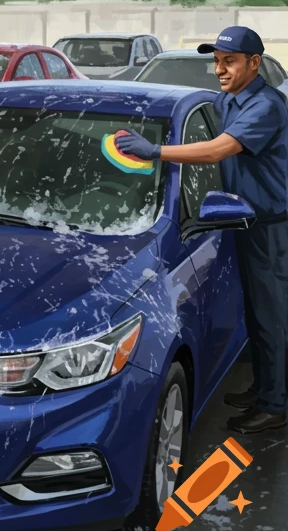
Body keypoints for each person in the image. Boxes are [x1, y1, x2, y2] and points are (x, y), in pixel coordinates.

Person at [116, 26, 288, 435]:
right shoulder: (227, 101)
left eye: (229, 61)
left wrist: (154, 151)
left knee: (272, 317)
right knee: (256, 313)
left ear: (254, 63)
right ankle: (265, 388)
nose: (219, 69)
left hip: (270, 228)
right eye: (216, 61)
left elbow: (217, 149)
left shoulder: (265, 106)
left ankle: (275, 404)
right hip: (243, 220)